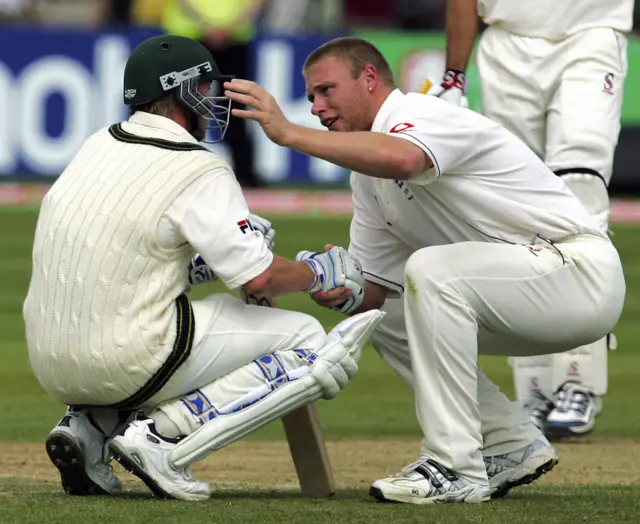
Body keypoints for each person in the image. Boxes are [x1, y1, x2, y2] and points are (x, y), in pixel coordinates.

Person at [223, 36, 626, 504]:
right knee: (379, 318)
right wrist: (293, 275)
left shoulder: (425, 114)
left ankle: (454, 465)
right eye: (311, 96)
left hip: (576, 273)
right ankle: (507, 442)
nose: (316, 106)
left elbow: (405, 158)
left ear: (369, 78)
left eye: (326, 90)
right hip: (520, 292)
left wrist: (288, 134)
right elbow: (372, 290)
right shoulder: (366, 178)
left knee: (431, 269)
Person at [22, 34, 384, 501]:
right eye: (207, 88)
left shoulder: (96, 145)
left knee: (173, 317)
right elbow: (259, 277)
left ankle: (90, 428)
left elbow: (132, 248)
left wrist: (207, 263)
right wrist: (320, 272)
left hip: (50, 361)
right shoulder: (198, 167)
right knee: (310, 342)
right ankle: (165, 437)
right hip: (124, 355)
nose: (213, 100)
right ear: (184, 92)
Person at [425, 0, 634, 438]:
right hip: (506, 42)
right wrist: (454, 75)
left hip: (591, 33)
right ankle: (536, 383)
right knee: (515, 212)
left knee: (581, 188)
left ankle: (578, 378)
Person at [162, 0, 267, 187]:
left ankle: (243, 172)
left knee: (234, 105)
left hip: (225, 37)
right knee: (187, 106)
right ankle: (181, 168)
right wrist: (223, 26)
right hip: (193, 35)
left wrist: (215, 26)